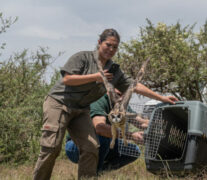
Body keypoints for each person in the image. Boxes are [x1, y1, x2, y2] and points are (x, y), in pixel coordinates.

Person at [33, 28, 178, 180]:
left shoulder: (114, 71)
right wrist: (96, 77)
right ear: (99, 43)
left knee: (91, 147)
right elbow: (68, 79)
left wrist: (162, 98)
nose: (111, 49)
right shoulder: (83, 57)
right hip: (59, 104)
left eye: (115, 47)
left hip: (81, 110)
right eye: (108, 45)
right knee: (52, 147)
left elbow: (134, 86)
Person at [65, 89, 148, 173]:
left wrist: (155, 123)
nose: (121, 98)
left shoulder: (121, 104)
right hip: (76, 145)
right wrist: (131, 135)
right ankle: (92, 173)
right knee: (104, 138)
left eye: (125, 95)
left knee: (134, 151)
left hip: (102, 143)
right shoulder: (99, 100)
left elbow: (140, 122)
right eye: (118, 94)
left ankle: (100, 172)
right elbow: (100, 128)